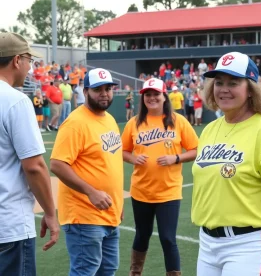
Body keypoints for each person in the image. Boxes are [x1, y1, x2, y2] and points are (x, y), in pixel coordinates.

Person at [191, 51, 261, 276]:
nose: (224, 89)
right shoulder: (211, 129)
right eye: (218, 82)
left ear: (251, 89)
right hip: (208, 244)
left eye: (234, 82)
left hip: (248, 245)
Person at [50, 68, 124, 276]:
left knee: (108, 269)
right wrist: (91, 192)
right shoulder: (76, 123)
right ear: (85, 92)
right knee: (85, 271)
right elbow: (57, 164)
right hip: (84, 214)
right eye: (98, 89)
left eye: (108, 89)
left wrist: (119, 202)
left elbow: (111, 164)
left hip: (109, 211)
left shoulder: (108, 119)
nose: (104, 93)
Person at [122, 78, 198, 276]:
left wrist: (176, 158)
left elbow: (196, 150)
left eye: (156, 94)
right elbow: (123, 151)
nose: (152, 98)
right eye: (148, 94)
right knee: (142, 235)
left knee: (167, 238)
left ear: (165, 96)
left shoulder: (178, 121)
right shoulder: (134, 123)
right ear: (143, 98)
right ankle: (135, 272)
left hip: (169, 192)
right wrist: (134, 158)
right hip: (141, 191)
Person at [0, 32, 59, 275]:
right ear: (16, 60)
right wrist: (50, 213)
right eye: (28, 61)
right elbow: (34, 166)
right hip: (9, 223)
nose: (30, 68)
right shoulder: (15, 100)